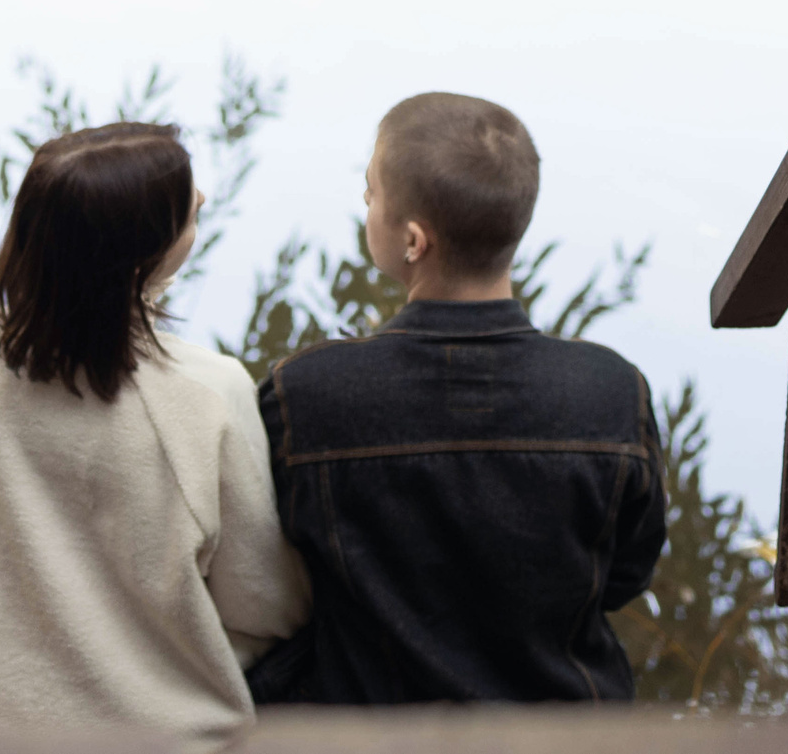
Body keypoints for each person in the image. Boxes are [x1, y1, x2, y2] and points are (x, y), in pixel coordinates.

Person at [254, 92, 666, 704]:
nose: (366, 206)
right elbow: (625, 571)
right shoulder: (610, 393)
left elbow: (267, 571)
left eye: (371, 194)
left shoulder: (306, 397)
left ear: (414, 240)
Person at [0, 121, 308, 739]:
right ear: (139, 261)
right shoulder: (206, 394)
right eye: (185, 204)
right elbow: (267, 606)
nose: (199, 198)